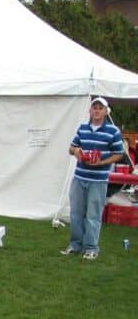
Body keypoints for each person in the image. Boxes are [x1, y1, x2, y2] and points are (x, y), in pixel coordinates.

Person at [61, 97, 124, 260]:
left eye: (100, 108)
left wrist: (102, 162)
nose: (96, 111)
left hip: (98, 179)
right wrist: (76, 152)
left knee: (93, 214)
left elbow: (119, 154)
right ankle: (75, 245)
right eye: (94, 107)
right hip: (80, 176)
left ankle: (91, 247)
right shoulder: (82, 128)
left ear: (105, 111)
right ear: (90, 111)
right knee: (76, 213)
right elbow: (71, 147)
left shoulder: (113, 131)